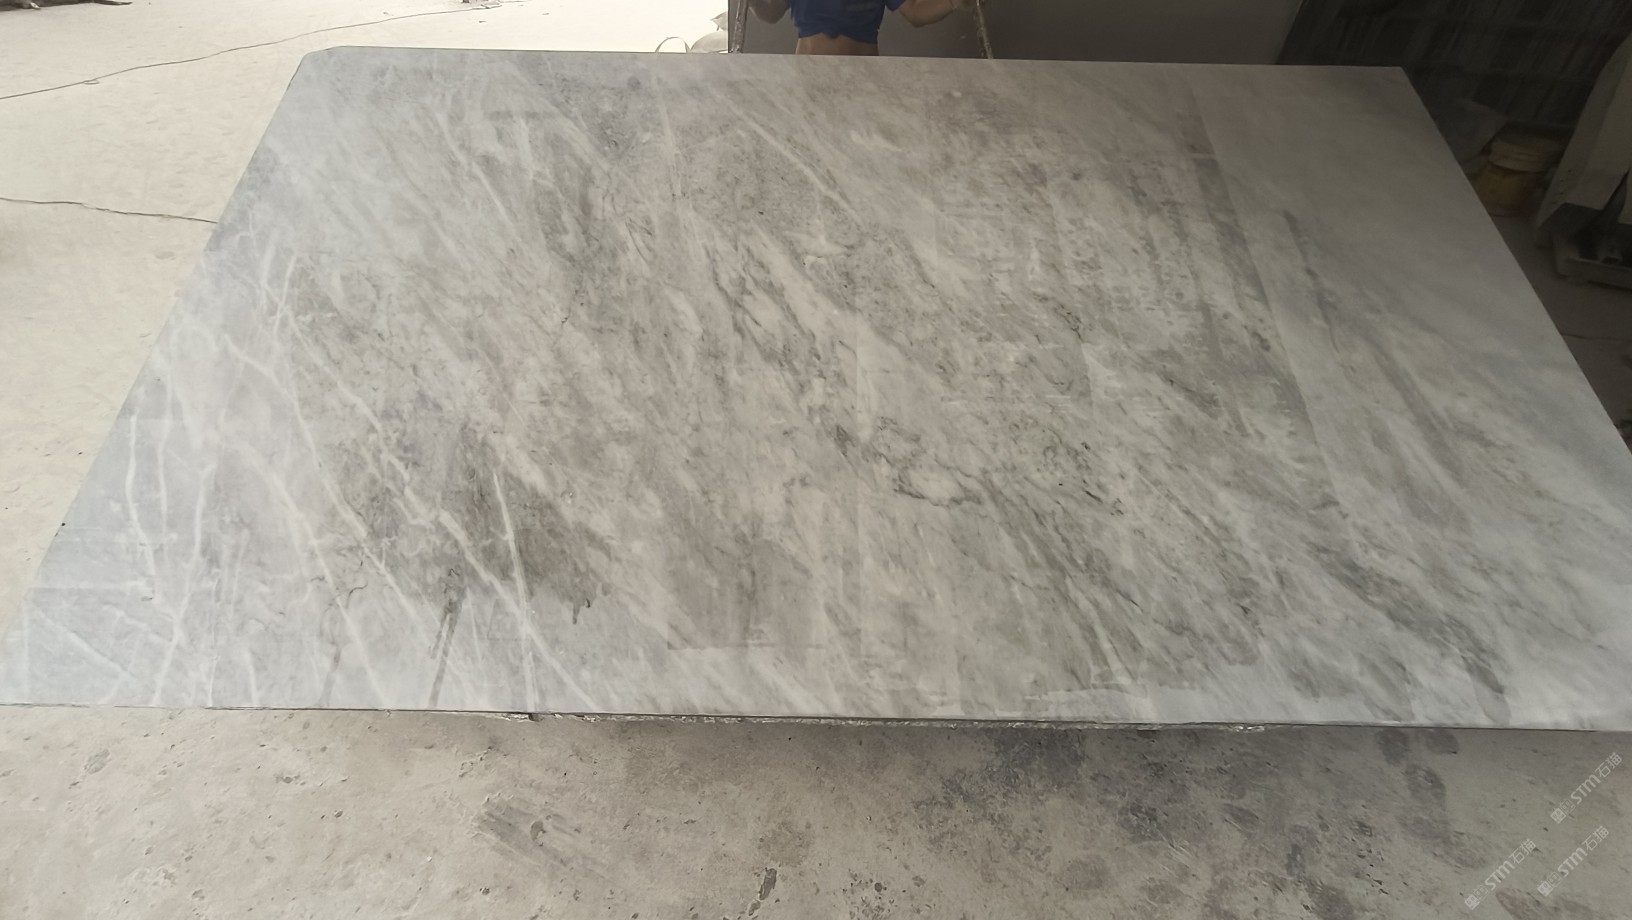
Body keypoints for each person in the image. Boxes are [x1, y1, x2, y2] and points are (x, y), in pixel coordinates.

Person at [748, 0, 969, 56]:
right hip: (809, 75)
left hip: (863, 78)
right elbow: (771, 13)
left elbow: (915, 12)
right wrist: (754, 2)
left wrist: (954, 2)